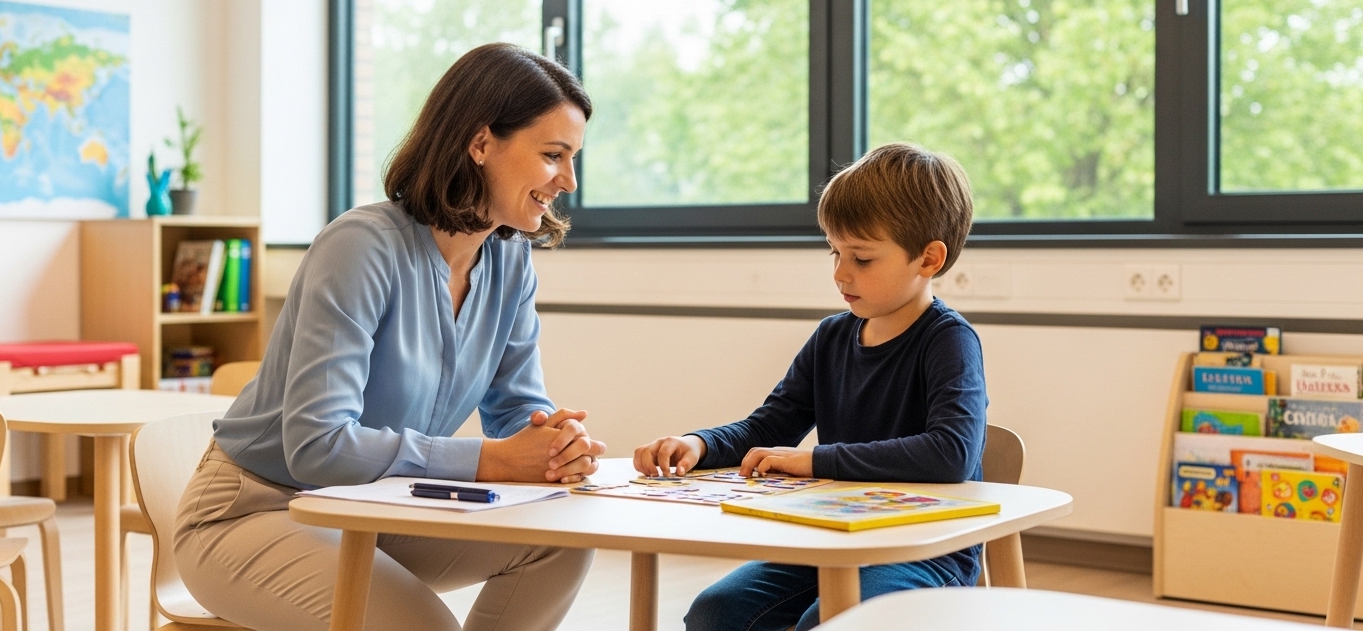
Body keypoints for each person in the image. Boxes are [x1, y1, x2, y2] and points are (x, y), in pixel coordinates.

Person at [175, 43, 606, 631]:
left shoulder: (509, 261)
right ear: (480, 144)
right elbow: (318, 445)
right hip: (261, 510)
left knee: (560, 540)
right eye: (553, 155)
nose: (569, 179)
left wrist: (553, 444)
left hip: (378, 508)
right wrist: (493, 462)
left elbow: (515, 409)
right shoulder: (361, 247)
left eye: (572, 157)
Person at [634, 142, 987, 631]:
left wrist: (816, 459)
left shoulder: (949, 340)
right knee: (716, 614)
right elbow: (770, 424)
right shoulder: (832, 336)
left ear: (928, 259)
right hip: (832, 538)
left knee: (829, 622)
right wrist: (699, 443)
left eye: (861, 258)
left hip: (923, 550)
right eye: (835, 252)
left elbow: (951, 453)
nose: (840, 273)